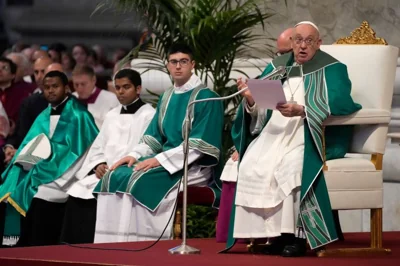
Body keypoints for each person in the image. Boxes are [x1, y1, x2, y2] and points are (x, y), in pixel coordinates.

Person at [223, 21, 362, 257]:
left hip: (308, 133)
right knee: (250, 164)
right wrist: (250, 98)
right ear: (292, 43)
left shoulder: (333, 68)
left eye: (309, 41)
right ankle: (273, 236)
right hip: (275, 132)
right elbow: (261, 109)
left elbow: (343, 102)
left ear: (319, 43)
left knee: (290, 167)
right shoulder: (278, 67)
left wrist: (303, 109)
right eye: (298, 40)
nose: (303, 46)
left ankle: (296, 237)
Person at [93, 43, 224, 243]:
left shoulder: (207, 98)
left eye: (183, 61)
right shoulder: (166, 97)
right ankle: (115, 242)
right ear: (168, 65)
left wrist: (159, 161)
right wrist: (134, 155)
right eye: (174, 62)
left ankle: (144, 244)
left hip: (191, 167)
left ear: (193, 65)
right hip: (164, 163)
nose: (178, 66)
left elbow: (199, 146)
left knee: (140, 180)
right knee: (115, 175)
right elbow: (153, 137)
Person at [0, 70, 98, 247]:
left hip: (65, 176)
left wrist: (48, 171)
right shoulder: (44, 115)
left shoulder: (79, 116)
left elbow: (81, 153)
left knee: (39, 193)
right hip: (40, 169)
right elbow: (29, 144)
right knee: (6, 190)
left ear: (66, 89)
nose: (50, 91)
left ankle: (36, 247)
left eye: (55, 86)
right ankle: (14, 246)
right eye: (46, 88)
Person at [216, 28, 294, 243]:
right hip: (270, 137)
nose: (282, 59)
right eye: (278, 54)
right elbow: (261, 120)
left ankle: (281, 234)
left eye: (286, 52)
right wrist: (250, 99)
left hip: (294, 137)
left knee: (274, 166)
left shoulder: (311, 75)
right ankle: (255, 234)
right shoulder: (273, 74)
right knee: (242, 164)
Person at [60, 69, 155, 244]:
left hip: (128, 173)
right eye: (117, 87)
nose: (120, 92)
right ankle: (76, 248)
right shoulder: (111, 115)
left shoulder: (149, 115)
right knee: (77, 193)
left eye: (126, 87)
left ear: (138, 89)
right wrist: (99, 164)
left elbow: (149, 147)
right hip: (105, 173)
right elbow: (98, 147)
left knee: (97, 196)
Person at [2, 58, 55, 165]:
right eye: (36, 72)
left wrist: (23, 152)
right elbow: (20, 133)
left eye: (43, 71)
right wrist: (9, 147)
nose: (39, 76)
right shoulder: (29, 102)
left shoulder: (69, 102)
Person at [72, 65, 119, 129]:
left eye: (83, 84)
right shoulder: (70, 100)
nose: (79, 89)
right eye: (76, 85)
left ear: (93, 80)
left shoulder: (111, 99)